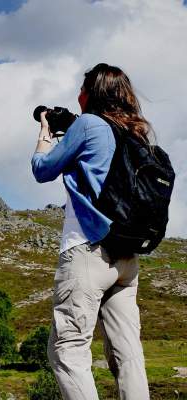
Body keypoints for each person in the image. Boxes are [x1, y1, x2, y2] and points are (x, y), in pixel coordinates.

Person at [31, 63, 151, 399]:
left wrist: (45, 133)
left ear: (91, 93)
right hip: (127, 259)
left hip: (88, 250)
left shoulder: (87, 125)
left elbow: (42, 170)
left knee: (67, 349)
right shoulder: (135, 132)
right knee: (128, 355)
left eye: (83, 89)